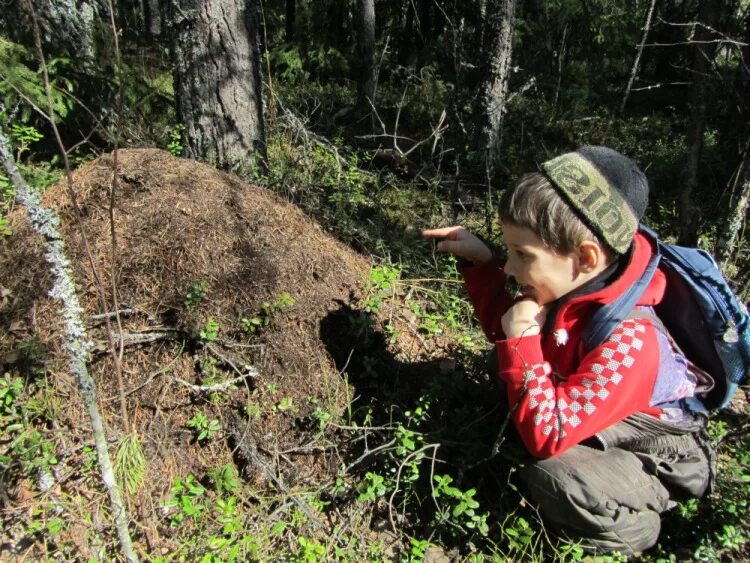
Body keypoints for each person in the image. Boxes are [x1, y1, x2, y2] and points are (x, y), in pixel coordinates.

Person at [422, 146, 715, 555]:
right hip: (600, 413)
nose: (510, 268)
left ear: (585, 256)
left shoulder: (630, 340)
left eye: (522, 255)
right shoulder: (578, 281)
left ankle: (631, 530)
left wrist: (523, 344)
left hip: (656, 451)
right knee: (506, 360)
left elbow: (549, 435)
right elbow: (509, 330)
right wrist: (482, 263)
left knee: (555, 476)